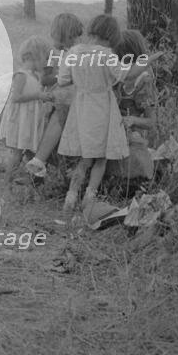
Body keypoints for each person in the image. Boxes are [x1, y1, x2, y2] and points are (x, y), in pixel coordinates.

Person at [56, 14, 130, 213]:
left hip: (81, 106)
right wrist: (146, 63)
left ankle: (70, 198)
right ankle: (89, 198)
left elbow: (62, 80)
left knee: (85, 157)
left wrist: (81, 80)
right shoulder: (107, 55)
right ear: (112, 35)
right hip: (102, 107)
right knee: (101, 157)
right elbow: (122, 75)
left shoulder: (73, 52)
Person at [25, 13, 84, 182]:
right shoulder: (53, 54)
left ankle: (44, 165)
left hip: (71, 96)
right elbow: (44, 79)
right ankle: (37, 164)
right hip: (53, 95)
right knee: (58, 111)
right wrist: (62, 77)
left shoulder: (79, 53)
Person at [108, 29, 158, 188]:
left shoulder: (144, 81)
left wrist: (132, 120)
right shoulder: (115, 76)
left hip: (132, 141)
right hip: (113, 139)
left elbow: (151, 122)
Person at [0, 36, 54, 177]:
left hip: (28, 120)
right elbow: (16, 98)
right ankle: (7, 184)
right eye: (45, 58)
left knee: (29, 151)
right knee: (17, 152)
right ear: (34, 57)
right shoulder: (21, 76)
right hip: (19, 121)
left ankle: (31, 181)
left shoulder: (35, 76)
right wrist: (38, 96)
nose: (47, 62)